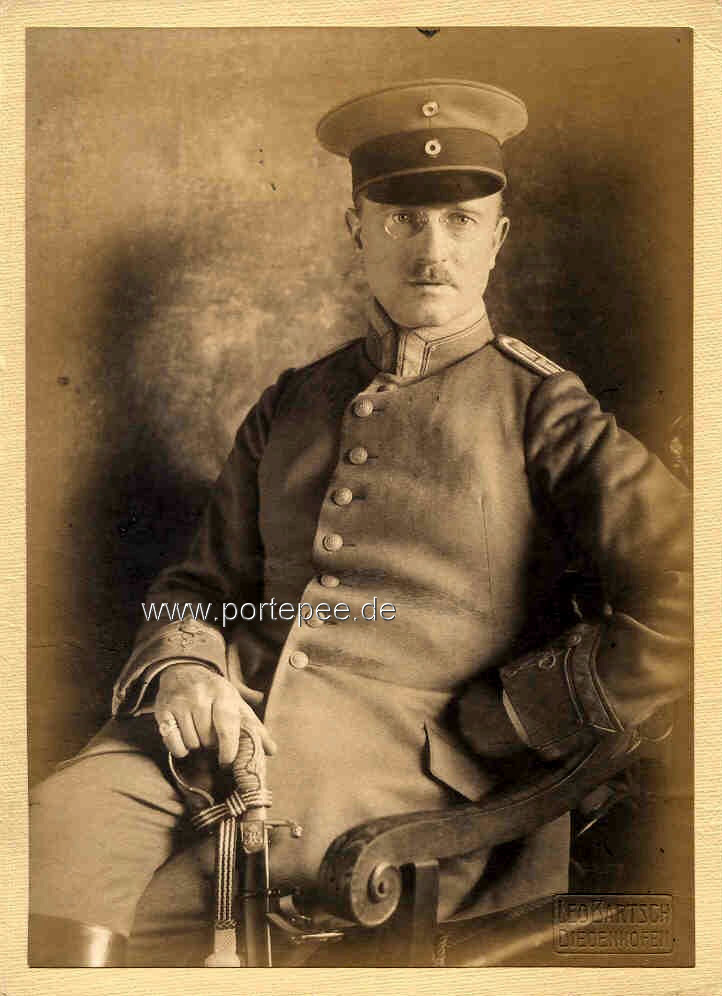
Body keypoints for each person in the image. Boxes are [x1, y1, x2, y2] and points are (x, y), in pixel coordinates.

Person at [29, 79, 690, 967]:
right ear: (357, 229)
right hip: (206, 740)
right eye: (403, 218)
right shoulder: (293, 402)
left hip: (407, 788)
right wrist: (186, 667)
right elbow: (201, 585)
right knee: (42, 848)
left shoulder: (543, 408)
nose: (432, 249)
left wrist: (520, 716)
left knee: (154, 924)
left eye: (460, 221)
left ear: (497, 239)